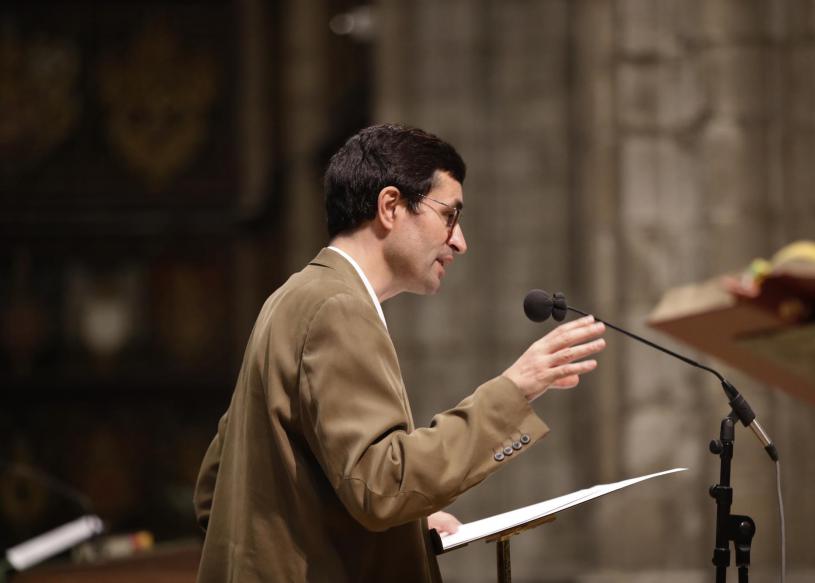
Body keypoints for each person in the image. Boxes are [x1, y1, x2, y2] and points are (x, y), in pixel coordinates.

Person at [193, 124, 606, 582]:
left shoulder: (293, 296)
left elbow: (218, 489)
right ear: (390, 206)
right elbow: (382, 486)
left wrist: (402, 531)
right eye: (449, 215)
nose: (459, 241)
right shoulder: (338, 307)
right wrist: (515, 390)